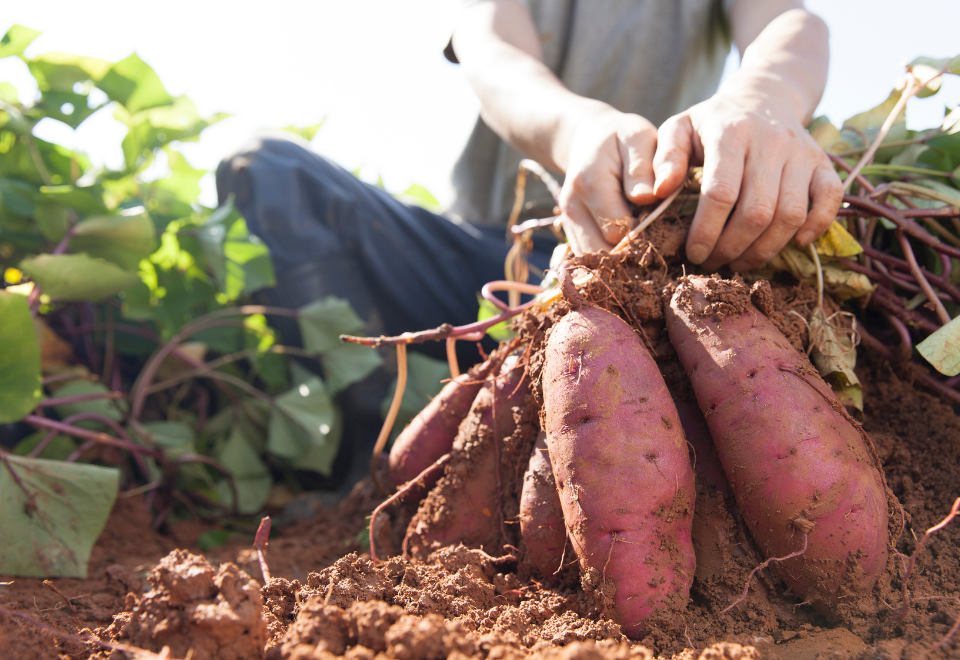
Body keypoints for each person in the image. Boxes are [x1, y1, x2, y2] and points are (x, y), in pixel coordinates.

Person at [215, 0, 841, 487]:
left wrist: (764, 101)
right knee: (265, 168)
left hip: (642, 269)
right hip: (490, 265)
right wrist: (580, 131)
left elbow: (788, 21)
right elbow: (493, 53)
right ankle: (377, 465)